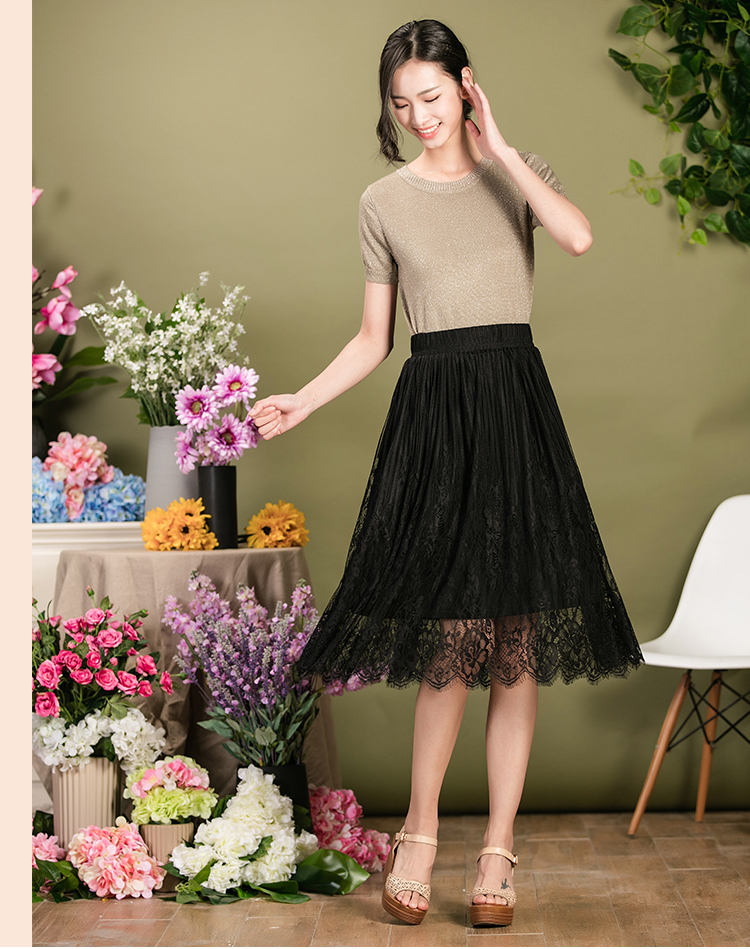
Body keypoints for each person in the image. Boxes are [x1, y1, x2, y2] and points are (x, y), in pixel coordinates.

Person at [250, 19, 642, 929]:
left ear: (467, 86)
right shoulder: (382, 202)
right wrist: (303, 400)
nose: (418, 116)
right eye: (401, 103)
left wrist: (500, 149)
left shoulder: (517, 172)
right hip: (436, 415)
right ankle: (419, 833)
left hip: (515, 413)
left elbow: (578, 238)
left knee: (515, 640)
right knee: (453, 639)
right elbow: (373, 338)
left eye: (432, 96)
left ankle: (499, 848)